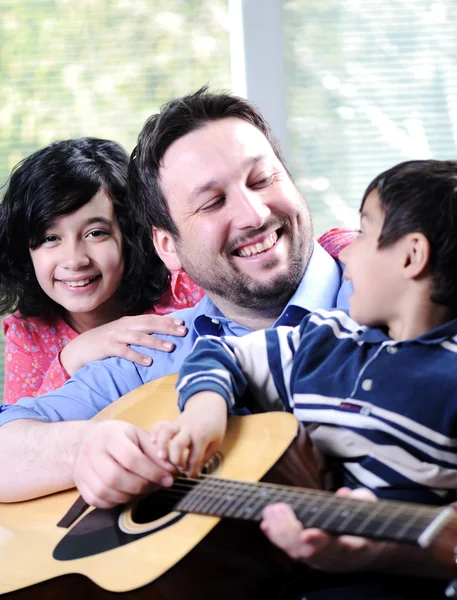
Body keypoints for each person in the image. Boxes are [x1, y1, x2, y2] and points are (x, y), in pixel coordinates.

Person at [0, 89, 405, 598]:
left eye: (263, 179)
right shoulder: (156, 349)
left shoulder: (406, 297)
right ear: (167, 245)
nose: (254, 213)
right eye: (213, 202)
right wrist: (83, 448)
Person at [152, 159, 457, 598]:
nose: (346, 249)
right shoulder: (327, 343)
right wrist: (203, 415)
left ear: (411, 256)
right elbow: (222, 352)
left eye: (366, 233)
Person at [0, 137, 203, 404]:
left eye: (96, 233)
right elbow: (18, 434)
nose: (74, 260)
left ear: (130, 235)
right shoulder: (30, 332)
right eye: (50, 238)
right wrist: (72, 357)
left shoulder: (187, 289)